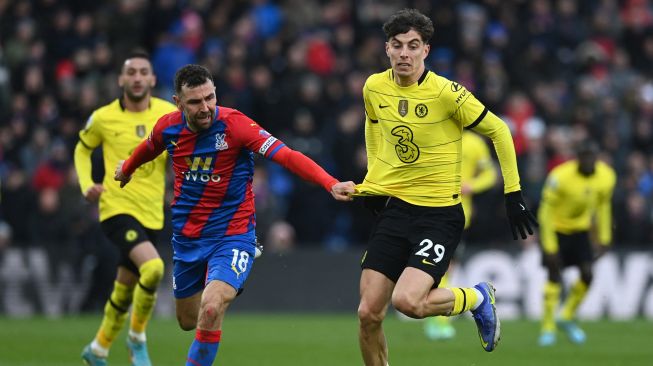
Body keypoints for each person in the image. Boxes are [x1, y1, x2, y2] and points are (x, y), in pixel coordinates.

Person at [114, 64, 355, 366]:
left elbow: (287, 155)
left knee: (212, 307)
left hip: (233, 235)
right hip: (187, 239)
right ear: (178, 102)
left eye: (209, 98)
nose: (205, 108)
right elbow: (148, 148)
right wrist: (127, 168)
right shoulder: (168, 127)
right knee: (189, 320)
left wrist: (329, 183)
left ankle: (227, 277)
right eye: (195, 102)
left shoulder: (236, 126)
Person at [352, 9, 537, 365]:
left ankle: (477, 298)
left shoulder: (446, 93)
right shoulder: (374, 87)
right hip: (396, 210)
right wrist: (373, 184)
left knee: (408, 302)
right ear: (387, 49)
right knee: (368, 314)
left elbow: (499, 129)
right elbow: (374, 131)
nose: (404, 53)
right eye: (397, 45)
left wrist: (513, 193)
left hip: (439, 215)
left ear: (426, 51)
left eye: (413, 45)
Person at [75, 50, 177, 366]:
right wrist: (85, 184)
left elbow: (182, 152)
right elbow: (82, 149)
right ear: (121, 79)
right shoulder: (104, 117)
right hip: (116, 207)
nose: (136, 78)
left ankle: (98, 348)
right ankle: (137, 340)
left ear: (152, 79)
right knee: (154, 268)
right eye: (130, 72)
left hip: (153, 212)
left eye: (142, 72)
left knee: (124, 288)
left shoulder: (167, 113)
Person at [537, 140, 616, 346]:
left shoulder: (607, 177)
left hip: (580, 231)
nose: (588, 161)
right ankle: (547, 326)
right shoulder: (560, 176)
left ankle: (566, 315)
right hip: (556, 229)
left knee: (588, 274)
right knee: (554, 274)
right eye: (584, 156)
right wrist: (549, 245)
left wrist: (604, 238)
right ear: (577, 158)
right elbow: (545, 211)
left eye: (592, 156)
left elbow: (603, 207)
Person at [423, 130, 498, 340]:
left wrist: (472, 186)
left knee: (447, 266)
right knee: (433, 266)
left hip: (458, 215)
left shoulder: (475, 143)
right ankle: (436, 317)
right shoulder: (432, 133)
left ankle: (438, 320)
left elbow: (490, 175)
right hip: (427, 209)